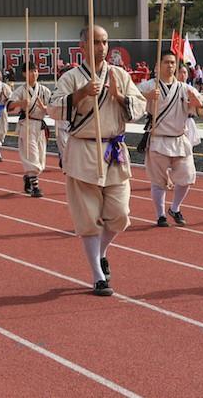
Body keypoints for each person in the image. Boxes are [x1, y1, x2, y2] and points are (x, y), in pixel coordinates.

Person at [48, 26, 146, 296]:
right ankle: (97, 275)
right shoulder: (70, 78)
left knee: (120, 215)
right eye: (95, 42)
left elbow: (139, 108)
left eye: (104, 42)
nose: (101, 47)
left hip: (114, 151)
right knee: (89, 218)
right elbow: (54, 109)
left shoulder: (119, 75)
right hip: (83, 150)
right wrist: (80, 94)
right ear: (82, 47)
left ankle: (101, 251)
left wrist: (119, 96)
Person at [139, 51, 203, 227]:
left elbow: (202, 106)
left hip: (179, 139)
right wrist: (145, 98)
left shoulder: (184, 88)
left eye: (172, 63)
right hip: (158, 139)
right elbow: (130, 101)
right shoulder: (148, 86)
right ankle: (160, 214)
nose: (170, 66)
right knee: (158, 180)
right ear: (158, 65)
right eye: (166, 62)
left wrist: (198, 104)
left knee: (187, 176)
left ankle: (175, 208)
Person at [8, 61, 52, 197]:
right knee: (31, 155)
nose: (33, 74)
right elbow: (9, 105)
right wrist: (20, 103)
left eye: (35, 71)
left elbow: (53, 107)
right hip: (27, 124)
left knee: (40, 159)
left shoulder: (44, 90)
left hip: (39, 126)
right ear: (24, 74)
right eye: (30, 71)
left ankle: (28, 177)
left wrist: (46, 109)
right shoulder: (20, 90)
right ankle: (35, 187)